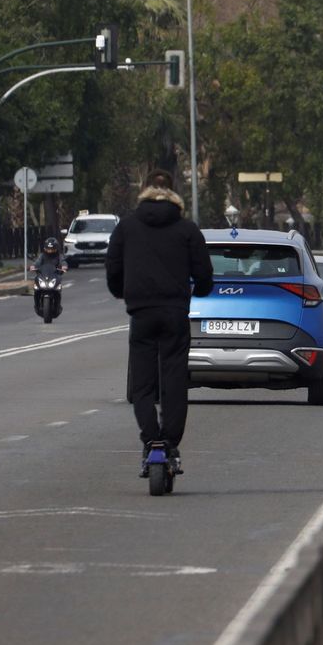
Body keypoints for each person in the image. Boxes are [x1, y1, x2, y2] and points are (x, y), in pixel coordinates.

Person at [106, 169, 213, 480]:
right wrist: (200, 291)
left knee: (142, 384)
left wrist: (121, 291)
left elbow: (113, 267)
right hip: (175, 314)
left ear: (144, 190)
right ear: (174, 192)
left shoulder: (126, 228)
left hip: (141, 313)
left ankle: (151, 437)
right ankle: (169, 442)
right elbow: (204, 273)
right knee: (174, 380)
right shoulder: (187, 229)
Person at [31, 236, 66, 319]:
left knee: (58, 290)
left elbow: (63, 262)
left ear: (56, 248)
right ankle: (37, 305)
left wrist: (64, 266)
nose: (50, 251)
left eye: (52, 249)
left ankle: (57, 306)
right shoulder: (42, 256)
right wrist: (33, 266)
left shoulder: (58, 256)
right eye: (48, 249)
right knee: (36, 289)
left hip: (54, 276)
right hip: (43, 276)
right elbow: (37, 262)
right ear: (45, 248)